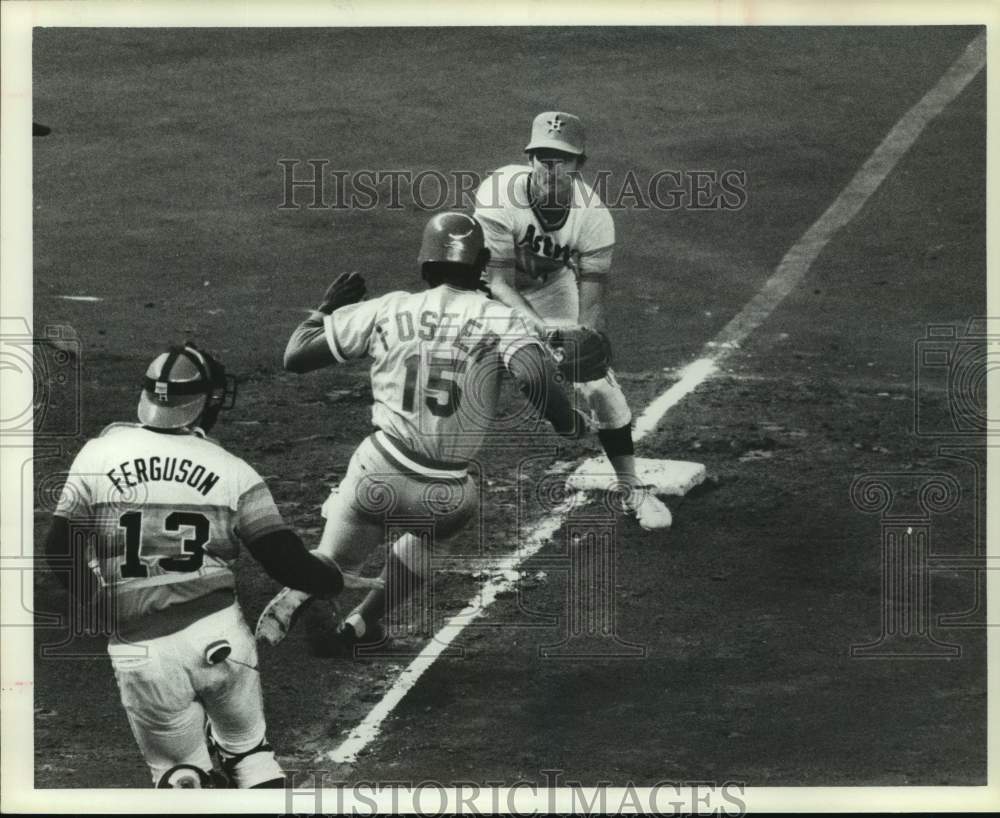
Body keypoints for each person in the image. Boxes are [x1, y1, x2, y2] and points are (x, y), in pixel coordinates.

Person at [44, 343, 379, 788]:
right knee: (253, 757)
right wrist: (332, 578)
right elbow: (287, 563)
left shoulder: (95, 456)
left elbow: (58, 548)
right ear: (207, 403)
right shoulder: (232, 470)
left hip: (141, 650)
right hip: (218, 635)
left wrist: (99, 604)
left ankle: (189, 780)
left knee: (180, 775)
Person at [255, 211, 588, 649]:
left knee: (334, 558)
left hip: (377, 471)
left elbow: (295, 356)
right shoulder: (500, 318)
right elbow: (535, 378)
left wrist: (326, 308)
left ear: (425, 265)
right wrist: (568, 424)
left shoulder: (391, 308)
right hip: (447, 494)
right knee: (430, 538)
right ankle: (361, 625)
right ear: (482, 265)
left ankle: (308, 583)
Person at [473, 111, 672, 530]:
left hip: (550, 286)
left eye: (560, 159)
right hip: (487, 293)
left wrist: (583, 341)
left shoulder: (594, 217)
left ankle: (632, 488)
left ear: (579, 164)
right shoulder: (498, 194)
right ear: (529, 159)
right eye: (542, 157)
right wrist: (544, 331)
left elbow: (592, 299)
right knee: (457, 384)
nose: (549, 167)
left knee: (599, 382)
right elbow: (499, 282)